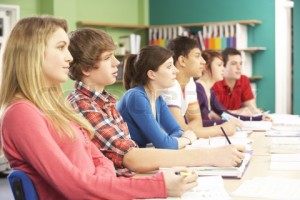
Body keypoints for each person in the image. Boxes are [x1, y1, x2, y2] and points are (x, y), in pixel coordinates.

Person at [0, 16, 199, 199]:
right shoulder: (21, 114)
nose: (69, 58)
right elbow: (74, 185)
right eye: (61, 47)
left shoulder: (56, 108)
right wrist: (159, 186)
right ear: (32, 54)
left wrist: (98, 178)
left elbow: (102, 161)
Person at [67, 28, 245, 176]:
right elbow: (133, 156)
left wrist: (184, 140)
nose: (117, 63)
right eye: (107, 58)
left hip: (134, 172)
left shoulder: (107, 100)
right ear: (85, 68)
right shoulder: (85, 103)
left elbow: (175, 131)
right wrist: (207, 155)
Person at [161, 36, 239, 138]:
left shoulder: (190, 84)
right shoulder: (170, 85)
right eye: (197, 56)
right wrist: (220, 129)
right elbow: (180, 131)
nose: (203, 62)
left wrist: (190, 130)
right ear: (182, 61)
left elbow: (197, 122)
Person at [195, 50, 270, 126]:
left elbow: (227, 115)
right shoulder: (198, 89)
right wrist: (225, 122)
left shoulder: (209, 91)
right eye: (219, 65)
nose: (223, 69)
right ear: (206, 67)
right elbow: (194, 124)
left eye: (223, 65)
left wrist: (259, 118)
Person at [212, 47, 261, 114]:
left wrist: (260, 115)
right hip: (220, 124)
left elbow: (251, 108)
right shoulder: (215, 82)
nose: (239, 67)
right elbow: (213, 114)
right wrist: (237, 112)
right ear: (223, 66)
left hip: (238, 123)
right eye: (234, 63)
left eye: (240, 63)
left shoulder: (244, 80)